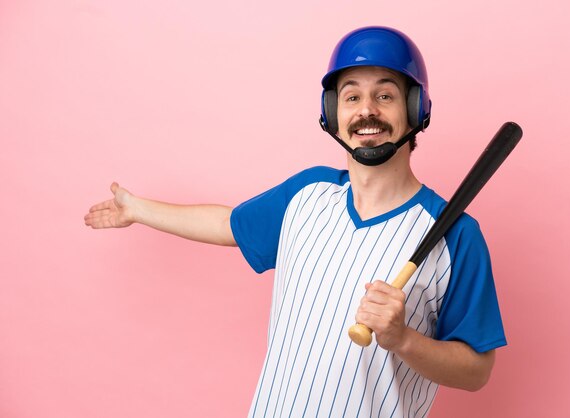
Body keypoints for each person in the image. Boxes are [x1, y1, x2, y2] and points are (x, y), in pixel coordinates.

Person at [84, 26, 506, 417]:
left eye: (386, 95)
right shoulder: (307, 194)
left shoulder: (456, 235)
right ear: (332, 112)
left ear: (415, 109)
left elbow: (477, 371)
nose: (366, 111)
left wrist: (403, 340)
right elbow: (228, 224)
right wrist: (138, 210)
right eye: (352, 97)